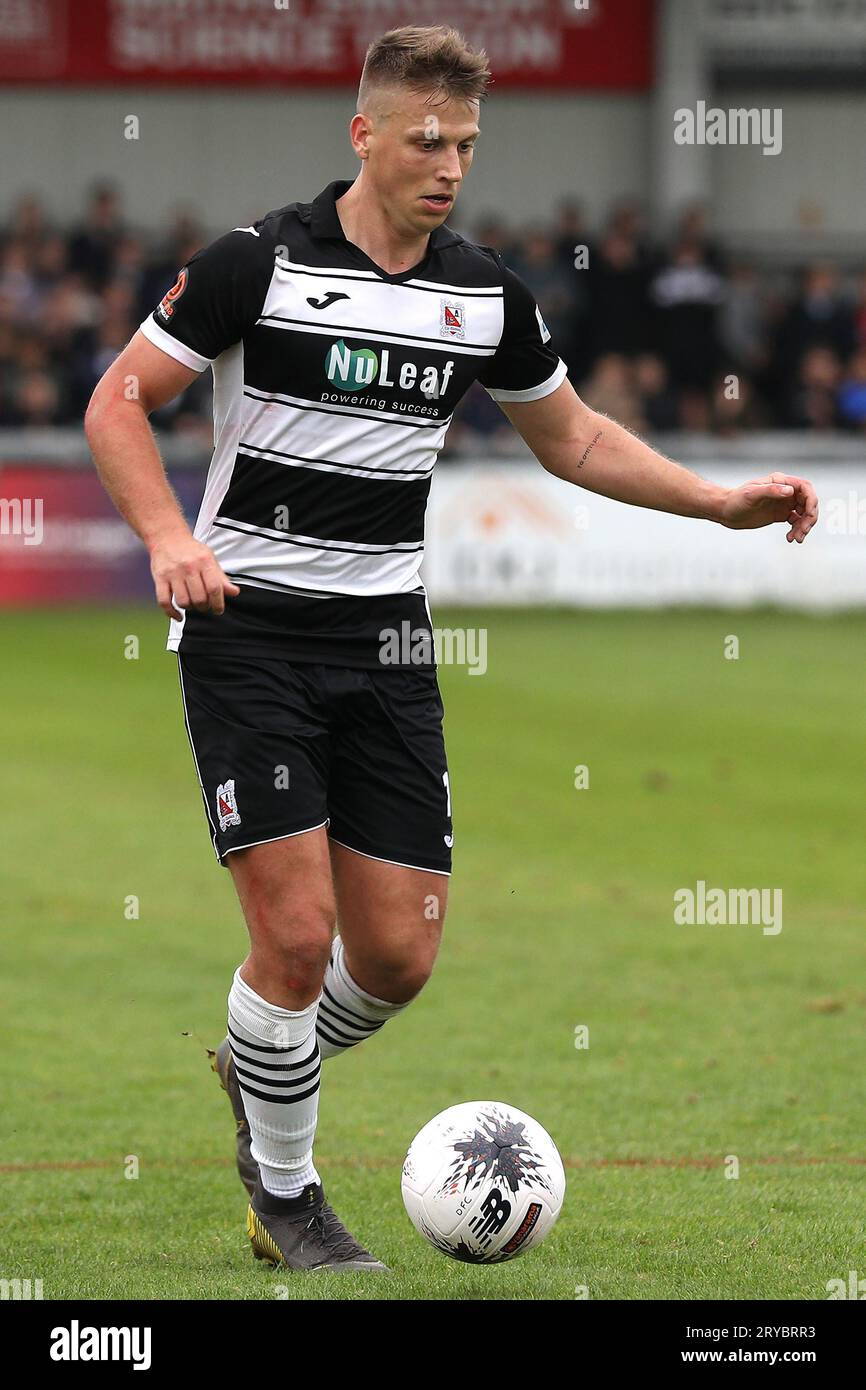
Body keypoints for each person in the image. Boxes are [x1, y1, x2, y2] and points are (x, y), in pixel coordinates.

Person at [85, 24, 818, 1275]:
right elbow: (118, 400)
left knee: (399, 955)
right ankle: (288, 1192)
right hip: (246, 632)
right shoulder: (253, 264)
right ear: (362, 135)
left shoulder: (482, 290)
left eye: (466, 144)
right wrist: (167, 537)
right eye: (425, 138)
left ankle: (263, 1059)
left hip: (386, 642)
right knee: (297, 937)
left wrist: (715, 500)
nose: (447, 163)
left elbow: (574, 439)